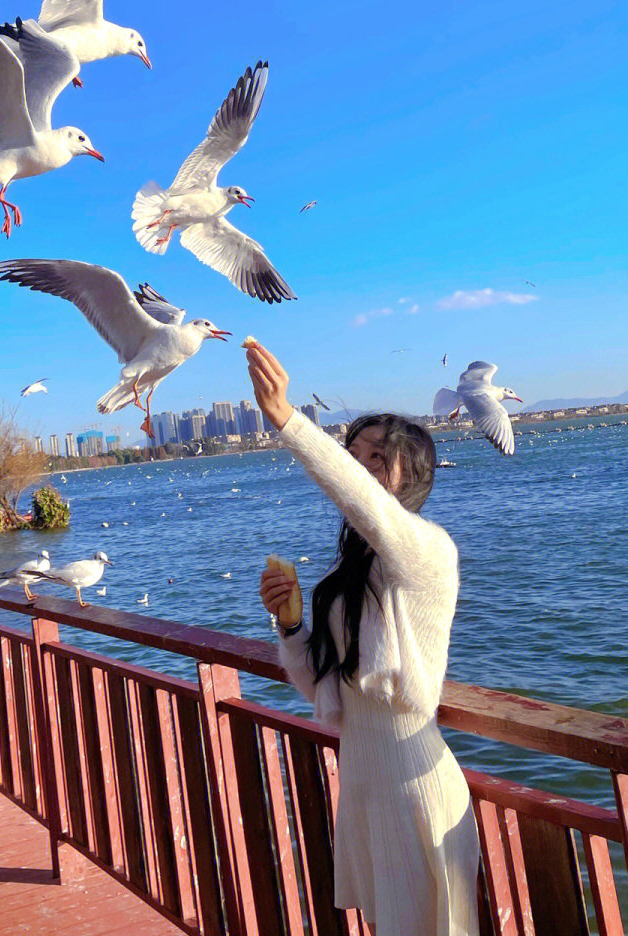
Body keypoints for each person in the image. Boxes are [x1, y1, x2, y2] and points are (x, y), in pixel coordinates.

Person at [246, 340, 479, 936]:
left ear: (413, 477)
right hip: (364, 789)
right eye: (357, 452)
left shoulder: (429, 552)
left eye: (379, 457)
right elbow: (322, 691)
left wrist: (289, 422)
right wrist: (292, 625)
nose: (362, 464)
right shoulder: (347, 579)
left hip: (415, 786)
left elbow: (369, 507)